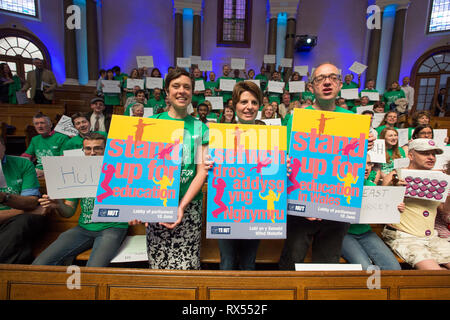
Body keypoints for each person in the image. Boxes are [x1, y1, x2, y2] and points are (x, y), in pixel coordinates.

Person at [279, 62, 375, 270]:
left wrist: (367, 143)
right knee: (291, 262)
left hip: (336, 209)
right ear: (311, 87)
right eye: (320, 78)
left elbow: (350, 164)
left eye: (332, 77)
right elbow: (287, 159)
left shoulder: (353, 121)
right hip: (301, 209)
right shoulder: (296, 119)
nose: (327, 82)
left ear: (340, 84)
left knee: (327, 266)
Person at [130, 67, 209, 270]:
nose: (181, 91)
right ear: (167, 91)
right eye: (176, 86)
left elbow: (202, 171)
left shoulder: (201, 127)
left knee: (188, 268)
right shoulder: (152, 123)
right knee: (158, 268)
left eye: (187, 87)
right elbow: (140, 168)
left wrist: (181, 206)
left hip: (189, 206)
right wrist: (137, 205)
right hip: (156, 205)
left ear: (192, 92)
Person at [32, 133, 128, 267]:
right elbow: (69, 212)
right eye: (88, 149)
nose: (92, 153)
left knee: (93, 269)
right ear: (83, 151)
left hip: (112, 228)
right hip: (83, 228)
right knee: (40, 263)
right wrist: (58, 204)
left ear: (106, 150)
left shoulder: (120, 170)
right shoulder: (78, 172)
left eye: (98, 148)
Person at [215, 80, 266, 270]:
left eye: (254, 102)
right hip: (226, 209)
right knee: (226, 263)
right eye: (244, 102)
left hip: (256, 209)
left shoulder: (269, 136)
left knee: (248, 264)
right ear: (234, 105)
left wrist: (282, 165)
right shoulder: (220, 135)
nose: (249, 107)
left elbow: (271, 171)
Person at [382, 138, 450, 270]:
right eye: (425, 153)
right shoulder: (395, 175)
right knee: (436, 273)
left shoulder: (438, 179)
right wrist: (394, 190)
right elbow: (381, 208)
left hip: (432, 237)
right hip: (404, 236)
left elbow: (443, 209)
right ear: (411, 155)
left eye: (433, 154)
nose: (431, 157)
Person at [340, 155, 403, 270]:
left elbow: (384, 212)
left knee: (394, 268)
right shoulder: (339, 185)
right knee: (366, 268)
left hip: (366, 233)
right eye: (362, 163)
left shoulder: (372, 187)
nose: (366, 167)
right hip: (344, 234)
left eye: (369, 164)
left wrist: (396, 208)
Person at [0, 136, 46, 264]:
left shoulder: (22, 164)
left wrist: (4, 197)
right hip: (18, 215)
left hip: (18, 222)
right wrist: (22, 211)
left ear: (3, 146)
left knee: (22, 223)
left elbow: (31, 203)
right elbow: (31, 209)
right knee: (18, 250)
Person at [21, 113, 69, 178]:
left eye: (42, 123)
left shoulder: (62, 138)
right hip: (38, 171)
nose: (39, 126)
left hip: (57, 173)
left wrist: (45, 172)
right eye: (36, 124)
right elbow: (27, 156)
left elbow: (63, 161)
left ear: (50, 125)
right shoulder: (35, 139)